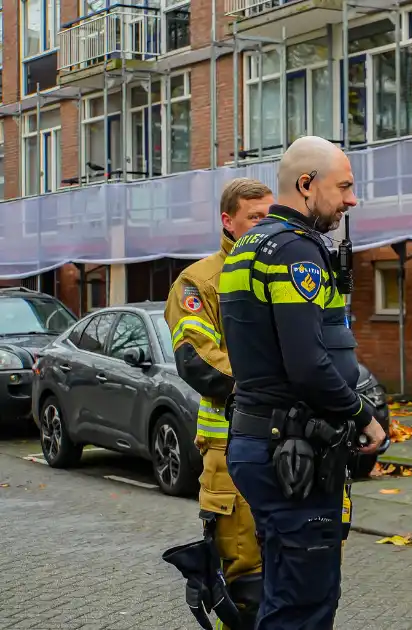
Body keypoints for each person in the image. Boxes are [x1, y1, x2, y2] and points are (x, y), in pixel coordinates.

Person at [221, 135, 387, 630]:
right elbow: (308, 363)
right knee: (305, 608)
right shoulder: (295, 252)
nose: (352, 199)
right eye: (344, 187)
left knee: (283, 596)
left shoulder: (249, 246)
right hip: (289, 452)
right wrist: (363, 416)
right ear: (306, 184)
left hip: (260, 441)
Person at [164, 177, 272, 629]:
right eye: (255, 218)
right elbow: (198, 361)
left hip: (286, 447)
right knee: (245, 587)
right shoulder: (200, 282)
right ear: (228, 221)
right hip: (228, 449)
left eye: (272, 216)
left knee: (294, 578)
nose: (266, 228)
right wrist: (274, 392)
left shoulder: (283, 272)